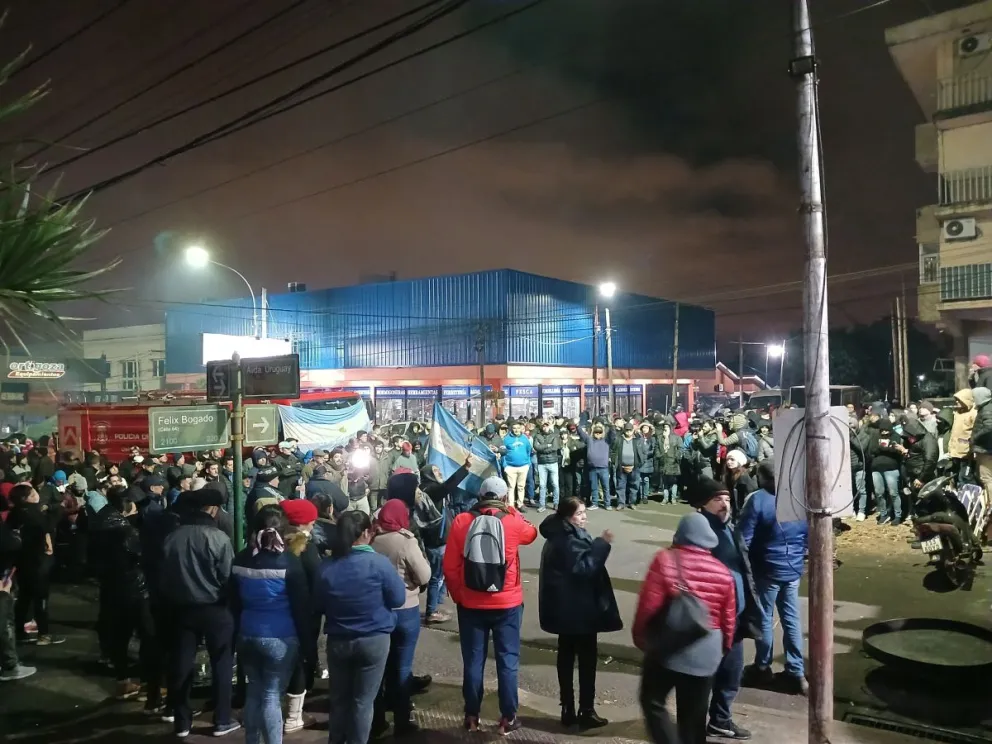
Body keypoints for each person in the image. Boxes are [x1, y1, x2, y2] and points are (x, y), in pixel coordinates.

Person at [444, 476, 538, 735]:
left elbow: (450, 567)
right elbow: (532, 534)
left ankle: (472, 715)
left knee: (473, 660)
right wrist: (513, 509)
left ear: (480, 495)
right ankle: (507, 717)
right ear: (504, 497)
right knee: (507, 660)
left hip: (471, 603)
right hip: (507, 602)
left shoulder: (462, 521)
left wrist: (458, 595)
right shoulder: (512, 521)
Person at [633, 512, 736, 744]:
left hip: (668, 646)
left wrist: (642, 638)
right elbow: (728, 619)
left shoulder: (665, 560)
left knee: (653, 700)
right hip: (706, 649)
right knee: (694, 716)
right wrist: (724, 648)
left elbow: (648, 607)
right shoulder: (723, 572)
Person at [314, 511, 406, 744]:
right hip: (374, 639)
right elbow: (397, 599)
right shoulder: (378, 564)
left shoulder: (327, 566)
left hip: (338, 639)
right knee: (363, 702)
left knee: (339, 699)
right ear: (366, 532)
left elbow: (318, 603)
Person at [231, 507, 317, 744]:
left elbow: (233, 602)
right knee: (270, 696)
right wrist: (309, 649)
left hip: (247, 633)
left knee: (254, 692)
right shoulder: (289, 562)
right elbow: (301, 610)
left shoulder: (240, 558)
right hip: (281, 637)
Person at [159, 488, 239, 738]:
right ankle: (222, 720)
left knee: (182, 664)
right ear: (213, 510)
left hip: (181, 609)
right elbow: (228, 577)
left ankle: (182, 722)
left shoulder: (172, 538)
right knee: (222, 663)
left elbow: (165, 575)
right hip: (215, 608)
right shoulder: (218, 538)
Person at [538, 497, 620, 729]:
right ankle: (585, 709)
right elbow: (585, 568)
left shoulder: (559, 535)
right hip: (579, 611)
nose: (585, 517)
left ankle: (569, 707)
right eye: (580, 513)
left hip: (566, 609)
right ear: (568, 517)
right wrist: (602, 544)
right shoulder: (568, 540)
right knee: (585, 660)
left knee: (566, 657)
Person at [738, 460, 809, 696]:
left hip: (767, 568)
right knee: (791, 619)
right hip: (792, 567)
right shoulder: (800, 498)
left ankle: (762, 666)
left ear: (763, 478)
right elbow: (808, 535)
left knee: (765, 617)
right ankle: (796, 671)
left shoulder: (758, 500)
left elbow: (743, 540)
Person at [371, 499, 432, 736]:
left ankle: (377, 719)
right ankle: (402, 718)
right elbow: (424, 575)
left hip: (377, 609)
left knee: (379, 667)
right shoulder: (405, 542)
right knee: (402, 667)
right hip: (406, 609)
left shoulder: (372, 538)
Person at [7, 484, 64, 646]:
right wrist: (58, 510)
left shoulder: (15, 513)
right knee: (40, 598)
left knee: (24, 597)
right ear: (27, 498)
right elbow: (47, 525)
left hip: (21, 561)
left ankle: (19, 631)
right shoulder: (32, 512)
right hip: (36, 561)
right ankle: (44, 634)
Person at [502, 420, 533, 511]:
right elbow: (503, 452)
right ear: (512, 429)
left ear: (521, 429)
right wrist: (505, 465)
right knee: (511, 487)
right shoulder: (506, 439)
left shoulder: (525, 439)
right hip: (510, 467)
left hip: (523, 466)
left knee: (521, 486)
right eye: (514, 428)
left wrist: (528, 463)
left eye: (518, 428)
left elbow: (529, 451)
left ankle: (520, 504)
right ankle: (511, 505)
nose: (516, 430)